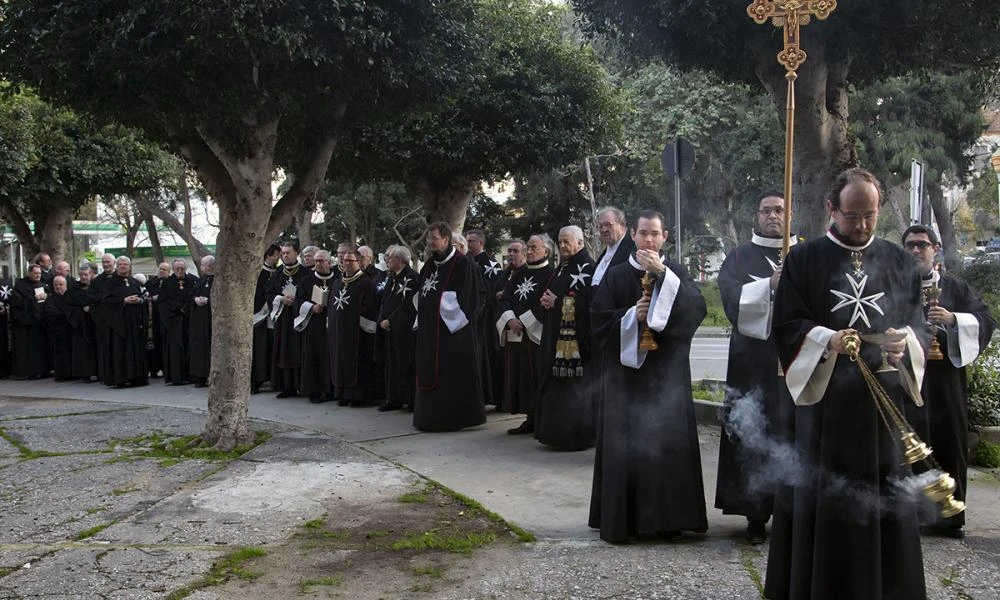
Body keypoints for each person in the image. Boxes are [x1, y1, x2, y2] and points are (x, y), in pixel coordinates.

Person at [765, 168, 927, 600]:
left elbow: (918, 325)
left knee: (886, 496)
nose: (862, 226)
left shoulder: (897, 260)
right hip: (827, 408)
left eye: (870, 215)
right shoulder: (804, 260)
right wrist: (827, 339)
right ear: (831, 209)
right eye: (852, 216)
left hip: (882, 410)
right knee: (825, 498)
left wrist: (904, 345)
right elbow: (786, 326)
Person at [589, 209, 708, 544]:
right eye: (643, 234)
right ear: (634, 236)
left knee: (667, 446)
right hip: (627, 382)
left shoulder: (677, 272)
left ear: (664, 236)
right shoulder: (615, 276)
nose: (649, 240)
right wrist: (631, 318)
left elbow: (696, 313)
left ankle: (670, 520)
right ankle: (625, 521)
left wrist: (664, 276)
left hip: (666, 379)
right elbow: (598, 323)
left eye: (655, 234)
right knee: (627, 446)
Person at [902, 224, 995, 539]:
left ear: (935, 249)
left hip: (947, 382)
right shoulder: (896, 287)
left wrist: (955, 320)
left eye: (922, 245)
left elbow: (985, 320)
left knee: (949, 443)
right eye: (911, 245)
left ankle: (950, 516)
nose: (916, 250)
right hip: (909, 379)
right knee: (912, 444)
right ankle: (913, 514)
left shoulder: (955, 288)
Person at [714, 191, 796, 544]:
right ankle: (755, 514)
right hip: (752, 364)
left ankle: (793, 511)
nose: (773, 216)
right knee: (753, 434)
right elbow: (731, 299)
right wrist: (768, 286)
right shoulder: (737, 257)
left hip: (795, 360)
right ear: (756, 215)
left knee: (792, 435)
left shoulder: (804, 254)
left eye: (780, 210)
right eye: (766, 210)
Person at [413, 222, 487, 431]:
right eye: (429, 239)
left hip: (453, 334)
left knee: (450, 376)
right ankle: (428, 417)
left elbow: (469, 299)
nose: (430, 243)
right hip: (429, 331)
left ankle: (450, 419)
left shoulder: (463, 264)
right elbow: (422, 292)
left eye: (434, 239)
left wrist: (436, 303)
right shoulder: (429, 264)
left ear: (446, 239)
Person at [536, 225, 597, 450]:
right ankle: (554, 434)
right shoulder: (562, 267)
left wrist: (558, 302)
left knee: (573, 390)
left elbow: (588, 303)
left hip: (576, 344)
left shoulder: (588, 267)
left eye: (567, 242)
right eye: (560, 242)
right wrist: (547, 301)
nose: (562, 246)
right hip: (554, 337)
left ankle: (574, 437)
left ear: (580, 243)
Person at [497, 235, 554, 434]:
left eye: (534, 248)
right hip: (517, 334)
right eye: (528, 248)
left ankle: (540, 418)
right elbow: (505, 298)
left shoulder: (551, 274)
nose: (529, 251)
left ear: (546, 251)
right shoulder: (519, 274)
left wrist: (525, 321)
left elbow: (546, 302)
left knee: (536, 375)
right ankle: (529, 417)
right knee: (521, 377)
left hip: (536, 335)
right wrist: (510, 319)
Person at [328, 246, 378, 407]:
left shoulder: (366, 283)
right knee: (340, 362)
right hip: (339, 332)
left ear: (358, 262)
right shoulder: (337, 283)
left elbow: (370, 308)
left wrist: (353, 321)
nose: (346, 263)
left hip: (358, 333)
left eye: (350, 260)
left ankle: (358, 396)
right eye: (344, 260)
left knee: (357, 364)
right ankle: (342, 393)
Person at [376, 245, 419, 411]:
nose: (387, 260)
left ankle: (410, 399)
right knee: (391, 365)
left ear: (400, 260)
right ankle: (393, 399)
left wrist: (391, 321)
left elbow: (408, 305)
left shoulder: (411, 277)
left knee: (405, 365)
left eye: (390, 258)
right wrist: (382, 319)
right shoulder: (392, 277)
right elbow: (385, 301)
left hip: (404, 330)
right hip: (388, 330)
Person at [100, 257, 149, 388]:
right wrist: (124, 300)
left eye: (125, 264)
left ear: (129, 266)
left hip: (134, 323)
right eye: (120, 264)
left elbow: (145, 298)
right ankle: (120, 378)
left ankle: (137, 378)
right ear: (116, 266)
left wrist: (139, 301)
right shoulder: (110, 283)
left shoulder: (135, 282)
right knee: (120, 351)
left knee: (135, 350)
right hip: (118, 324)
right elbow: (105, 302)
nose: (123, 266)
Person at [294, 249, 335, 404]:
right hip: (314, 326)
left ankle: (331, 389)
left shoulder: (337, 280)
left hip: (332, 326)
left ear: (329, 263)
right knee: (314, 357)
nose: (318, 264)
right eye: (316, 261)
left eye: (321, 261)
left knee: (330, 356)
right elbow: (298, 301)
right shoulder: (306, 281)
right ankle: (315, 391)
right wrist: (312, 308)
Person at [269, 241, 308, 398]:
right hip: (283, 318)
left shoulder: (305, 273)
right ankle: (287, 386)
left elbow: (310, 294)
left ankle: (301, 385)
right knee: (284, 351)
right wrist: (280, 299)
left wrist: (297, 300)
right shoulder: (277, 273)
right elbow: (269, 293)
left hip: (300, 317)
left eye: (288, 253)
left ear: (296, 253)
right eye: (283, 253)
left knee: (300, 351)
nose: (285, 255)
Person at [158, 259, 197, 386]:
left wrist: (186, 308)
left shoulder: (192, 281)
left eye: (182, 268)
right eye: (177, 269)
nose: (179, 271)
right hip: (173, 322)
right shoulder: (167, 283)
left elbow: (194, 297)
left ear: (185, 269)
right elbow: (163, 302)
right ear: (173, 269)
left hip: (189, 320)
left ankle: (192, 375)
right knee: (175, 349)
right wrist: (177, 308)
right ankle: (177, 377)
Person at [10, 265, 51, 379]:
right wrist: (33, 299)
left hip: (40, 323)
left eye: (39, 273)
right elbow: (18, 304)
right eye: (35, 273)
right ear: (29, 273)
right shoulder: (20, 286)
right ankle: (29, 372)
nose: (38, 275)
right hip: (26, 324)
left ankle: (43, 370)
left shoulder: (42, 285)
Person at [251, 244, 281, 394]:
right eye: (277, 254)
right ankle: (256, 380)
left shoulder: (278, 272)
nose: (279, 257)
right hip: (261, 317)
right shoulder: (258, 273)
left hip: (275, 316)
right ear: (269, 255)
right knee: (260, 349)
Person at [88, 253, 117, 383]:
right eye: (104, 262)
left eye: (108, 262)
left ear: (114, 262)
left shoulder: (121, 278)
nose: (106, 264)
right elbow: (93, 301)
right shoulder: (97, 282)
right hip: (103, 322)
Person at [66, 265, 98, 382]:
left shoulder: (96, 287)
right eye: (81, 275)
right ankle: (85, 374)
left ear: (91, 274)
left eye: (86, 274)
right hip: (80, 325)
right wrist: (81, 310)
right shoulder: (73, 290)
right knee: (83, 350)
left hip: (95, 324)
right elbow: (69, 307)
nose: (84, 277)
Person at [592, 207, 636, 288]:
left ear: (622, 225)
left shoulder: (633, 251)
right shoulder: (605, 253)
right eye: (600, 226)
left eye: (608, 225)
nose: (604, 230)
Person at [188, 255, 215, 388]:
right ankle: (200, 376)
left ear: (210, 266)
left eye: (203, 265)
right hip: (199, 323)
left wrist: (209, 301)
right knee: (200, 349)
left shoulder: (218, 281)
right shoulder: (201, 280)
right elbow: (191, 295)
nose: (201, 267)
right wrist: (195, 299)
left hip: (212, 322)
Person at [43, 275, 74, 381]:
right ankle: (61, 374)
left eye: (61, 284)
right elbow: (50, 312)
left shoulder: (70, 297)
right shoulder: (50, 299)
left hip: (70, 330)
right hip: (57, 331)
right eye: (56, 285)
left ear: (66, 285)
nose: (58, 287)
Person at [145, 261, 170, 378]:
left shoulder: (170, 283)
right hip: (152, 317)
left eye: (165, 269)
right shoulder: (150, 283)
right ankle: (153, 369)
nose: (162, 271)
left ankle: (166, 368)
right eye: (161, 268)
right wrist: (151, 298)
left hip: (165, 318)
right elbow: (145, 296)